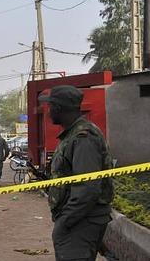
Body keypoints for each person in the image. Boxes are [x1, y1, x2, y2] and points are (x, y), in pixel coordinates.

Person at [39, 85, 114, 261]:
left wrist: (65, 222)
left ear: (59, 108)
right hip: (80, 220)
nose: (48, 112)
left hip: (81, 220)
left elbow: (87, 188)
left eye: (50, 107)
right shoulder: (72, 135)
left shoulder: (83, 137)